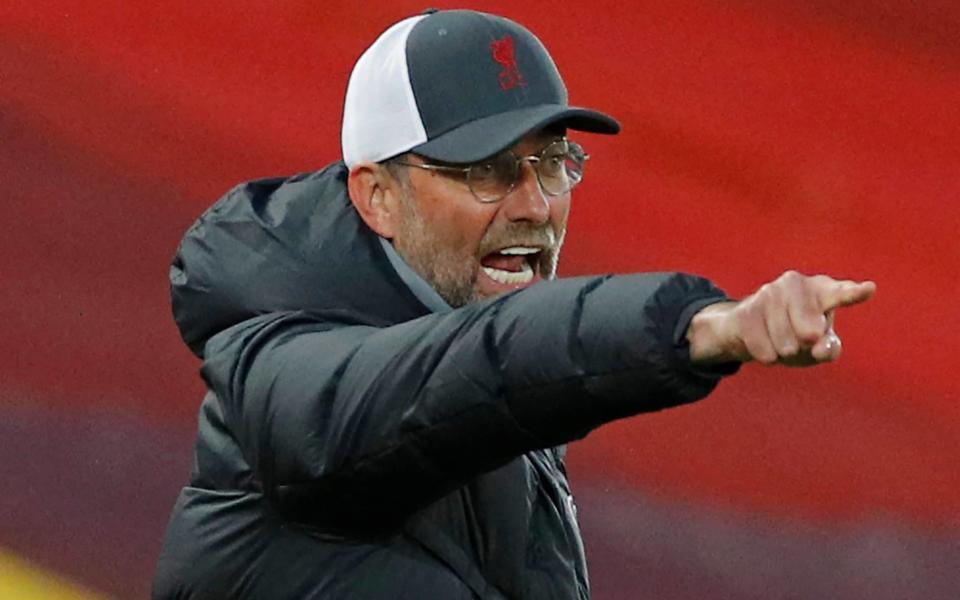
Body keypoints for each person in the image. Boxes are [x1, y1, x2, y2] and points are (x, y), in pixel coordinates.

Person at [153, 9, 875, 600]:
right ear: (377, 195)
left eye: (554, 162)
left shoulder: (475, 353)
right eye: (487, 172)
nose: (536, 206)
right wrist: (698, 326)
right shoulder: (288, 382)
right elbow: (490, 363)